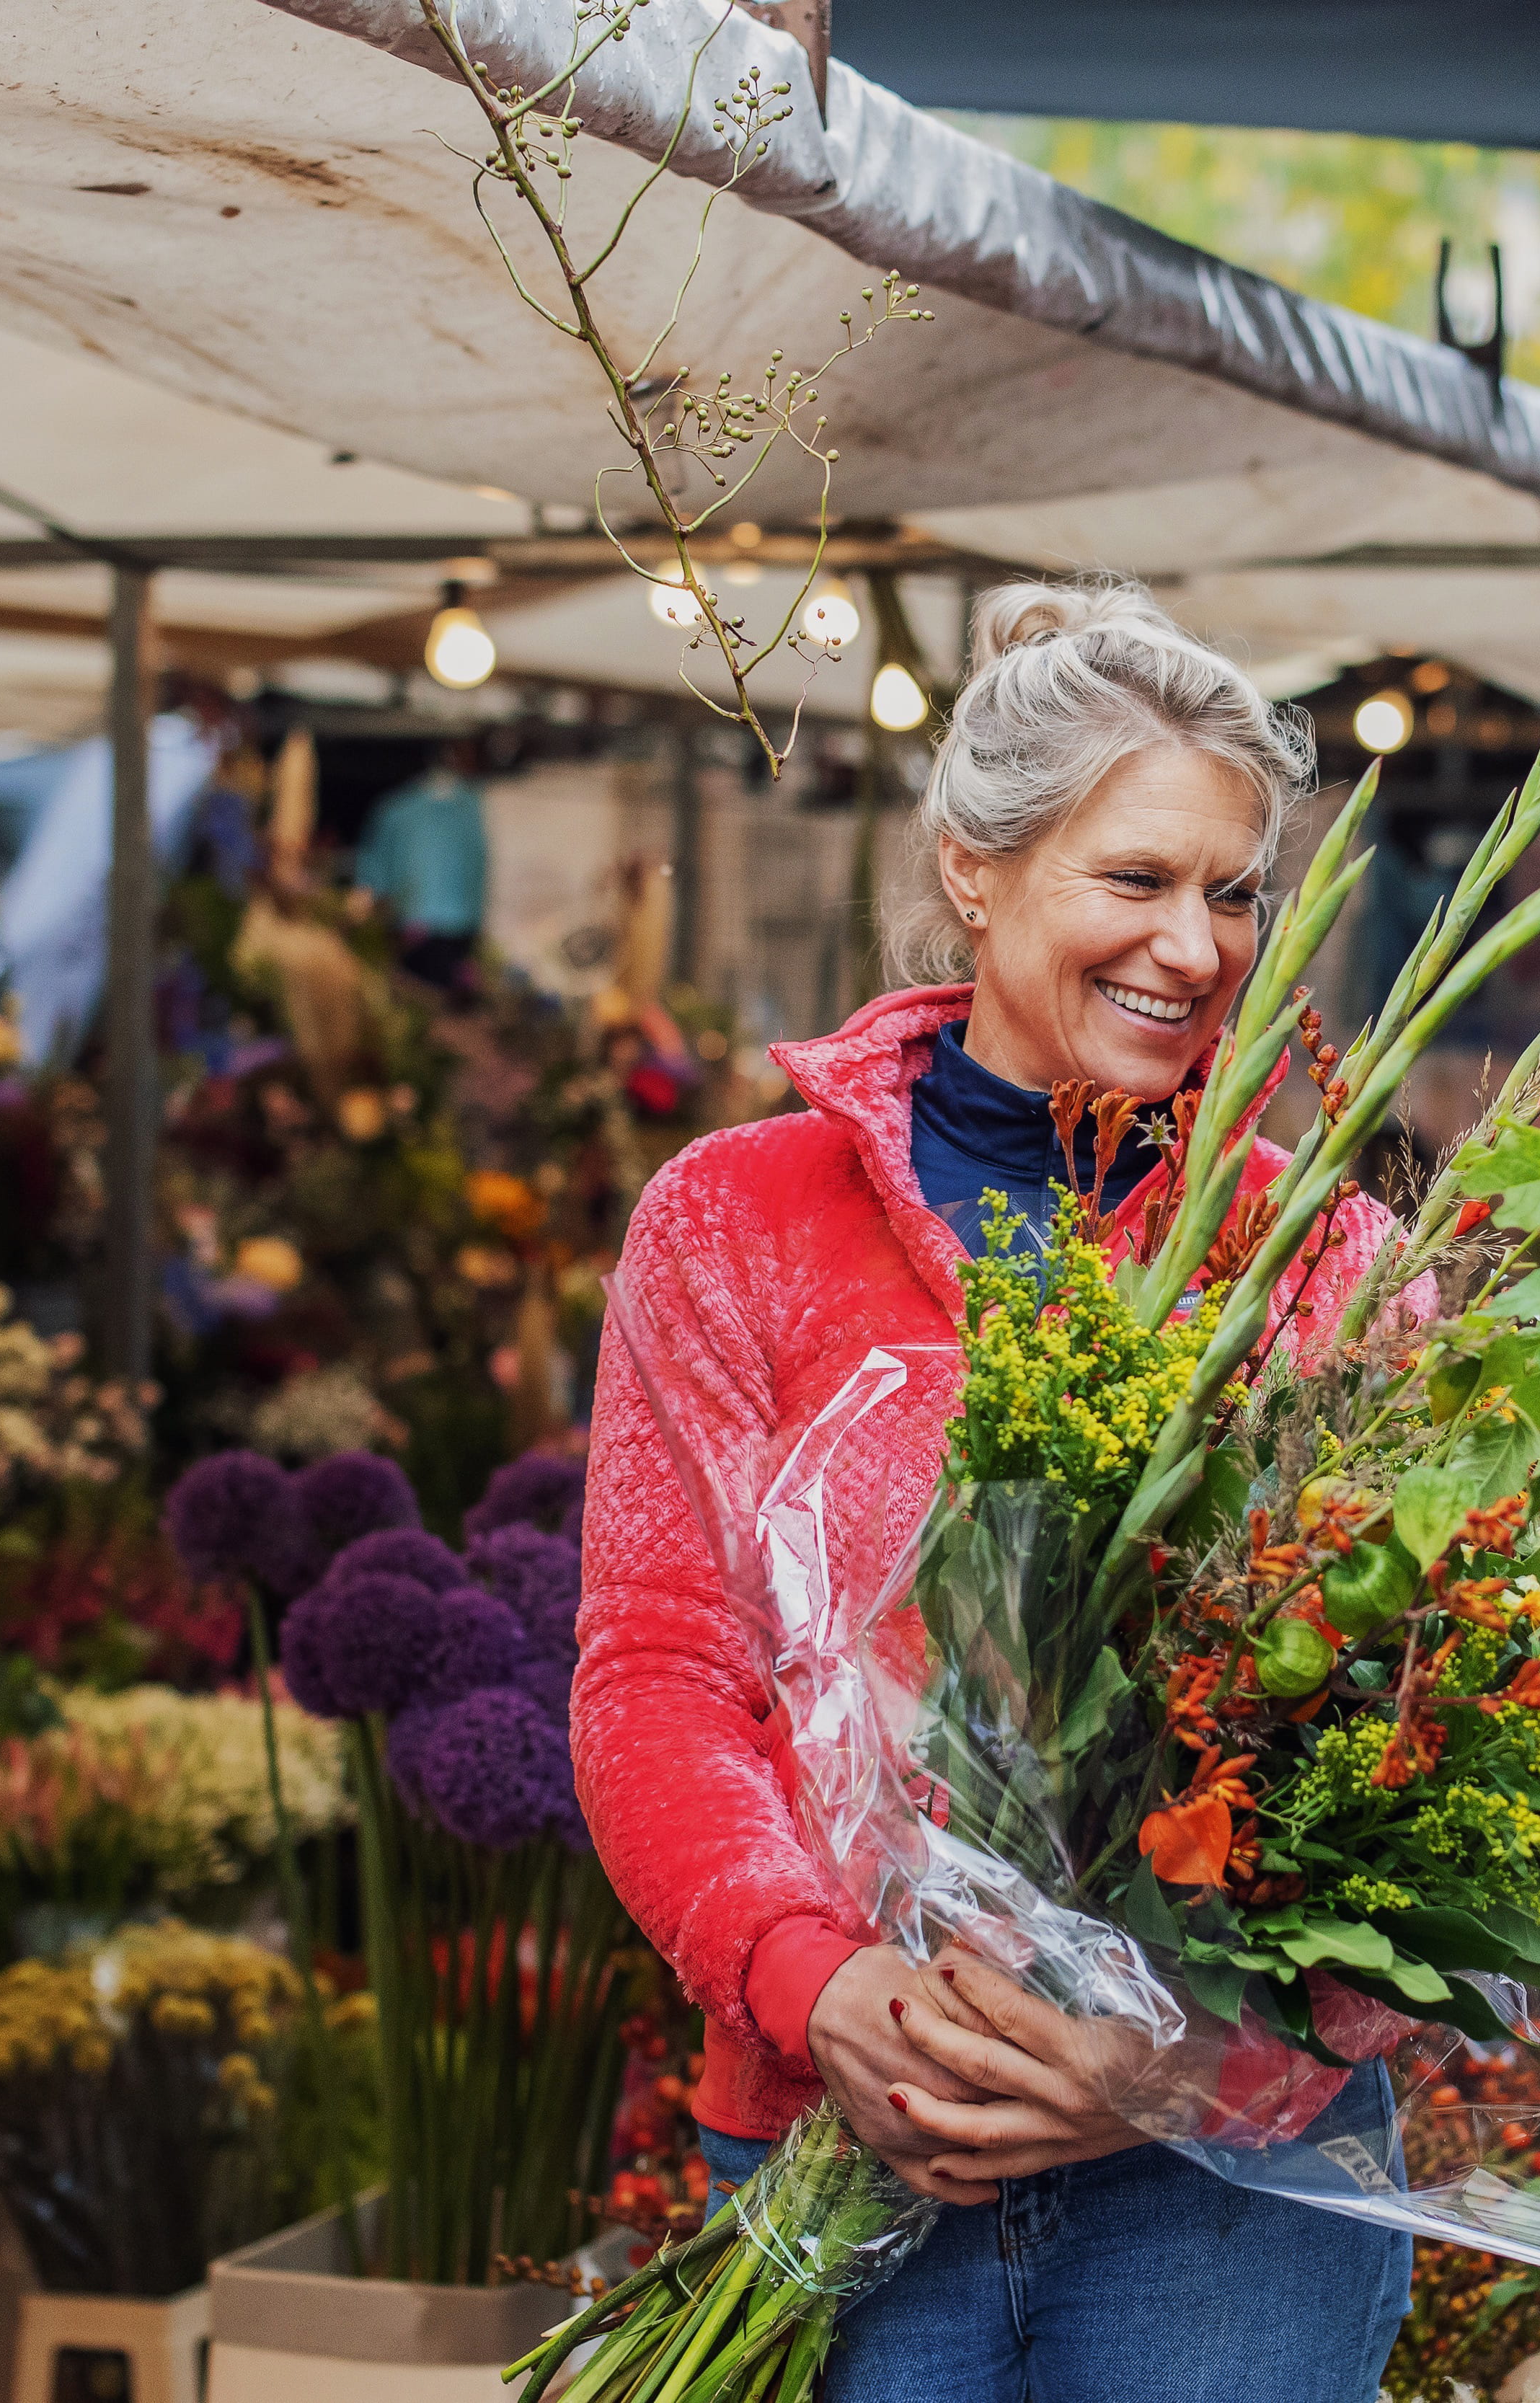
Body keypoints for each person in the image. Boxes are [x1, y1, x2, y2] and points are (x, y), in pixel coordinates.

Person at [575, 583, 1414, 2402]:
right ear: (974, 869)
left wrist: (1175, 2064)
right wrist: (815, 1983)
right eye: (1134, 880)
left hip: (1225, 2198)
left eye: (1233, 892)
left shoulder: (1326, 1261)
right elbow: (655, 1673)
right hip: (842, 2128)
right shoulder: (736, 1224)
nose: (1191, 947)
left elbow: (1424, 1750)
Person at [353, 743, 490, 996]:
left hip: (424, 918)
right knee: (427, 992)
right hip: (433, 919)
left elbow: (374, 863)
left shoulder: (467, 807)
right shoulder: (468, 807)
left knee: (423, 993)